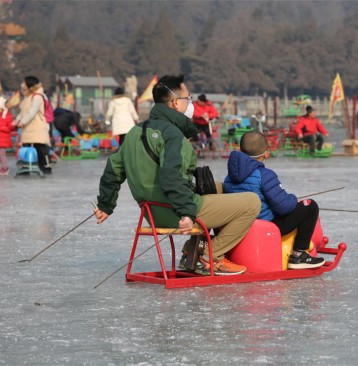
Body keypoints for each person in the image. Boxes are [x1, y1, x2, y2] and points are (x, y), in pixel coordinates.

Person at [94, 74, 260, 275]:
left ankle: (191, 252)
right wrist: (187, 213)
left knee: (216, 187)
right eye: (187, 98)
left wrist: (105, 205)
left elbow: (113, 169)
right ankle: (211, 257)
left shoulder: (135, 131)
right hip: (174, 212)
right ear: (175, 103)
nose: (190, 103)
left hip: (152, 212)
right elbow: (171, 177)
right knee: (252, 203)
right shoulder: (172, 134)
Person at [223, 131, 325, 269]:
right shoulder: (265, 175)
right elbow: (284, 207)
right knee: (310, 206)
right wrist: (294, 200)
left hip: (242, 225)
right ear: (266, 153)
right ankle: (299, 254)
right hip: (266, 225)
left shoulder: (229, 177)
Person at [13, 75, 52, 174]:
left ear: (29, 84)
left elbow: (32, 111)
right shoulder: (27, 96)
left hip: (37, 126)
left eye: (24, 82)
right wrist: (15, 121)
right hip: (28, 127)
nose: (22, 84)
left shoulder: (38, 96)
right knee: (26, 147)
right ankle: (26, 166)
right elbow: (23, 112)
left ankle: (46, 167)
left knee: (40, 147)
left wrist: (22, 122)